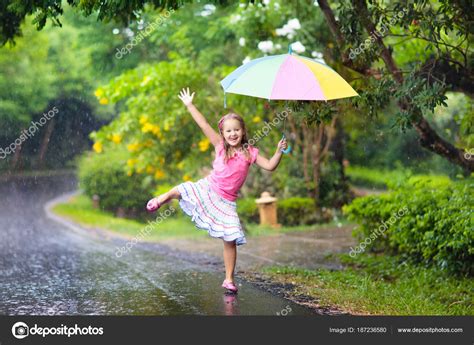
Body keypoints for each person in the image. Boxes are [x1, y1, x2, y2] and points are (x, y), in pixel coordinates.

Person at [146, 88, 287, 293]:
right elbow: (203, 124)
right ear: (223, 133)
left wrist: (278, 151)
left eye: (236, 130)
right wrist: (189, 105)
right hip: (209, 188)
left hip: (227, 202)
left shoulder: (250, 152)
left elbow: (270, 166)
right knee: (184, 189)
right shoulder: (219, 146)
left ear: (243, 131)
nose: (233, 134)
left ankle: (229, 279)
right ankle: (163, 198)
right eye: (228, 131)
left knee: (230, 239)